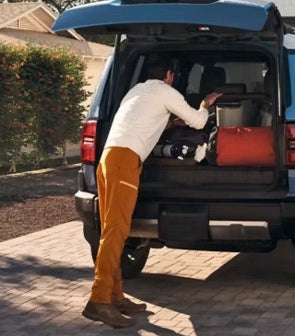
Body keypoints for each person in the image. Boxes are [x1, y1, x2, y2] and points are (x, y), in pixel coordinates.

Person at [83, 59, 221, 328]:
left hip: (108, 159)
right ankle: (98, 300)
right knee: (116, 231)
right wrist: (205, 104)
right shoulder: (166, 91)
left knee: (113, 229)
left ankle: (115, 296)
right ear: (169, 75)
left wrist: (171, 122)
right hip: (125, 162)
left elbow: (147, 122)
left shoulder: (137, 91)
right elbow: (197, 122)